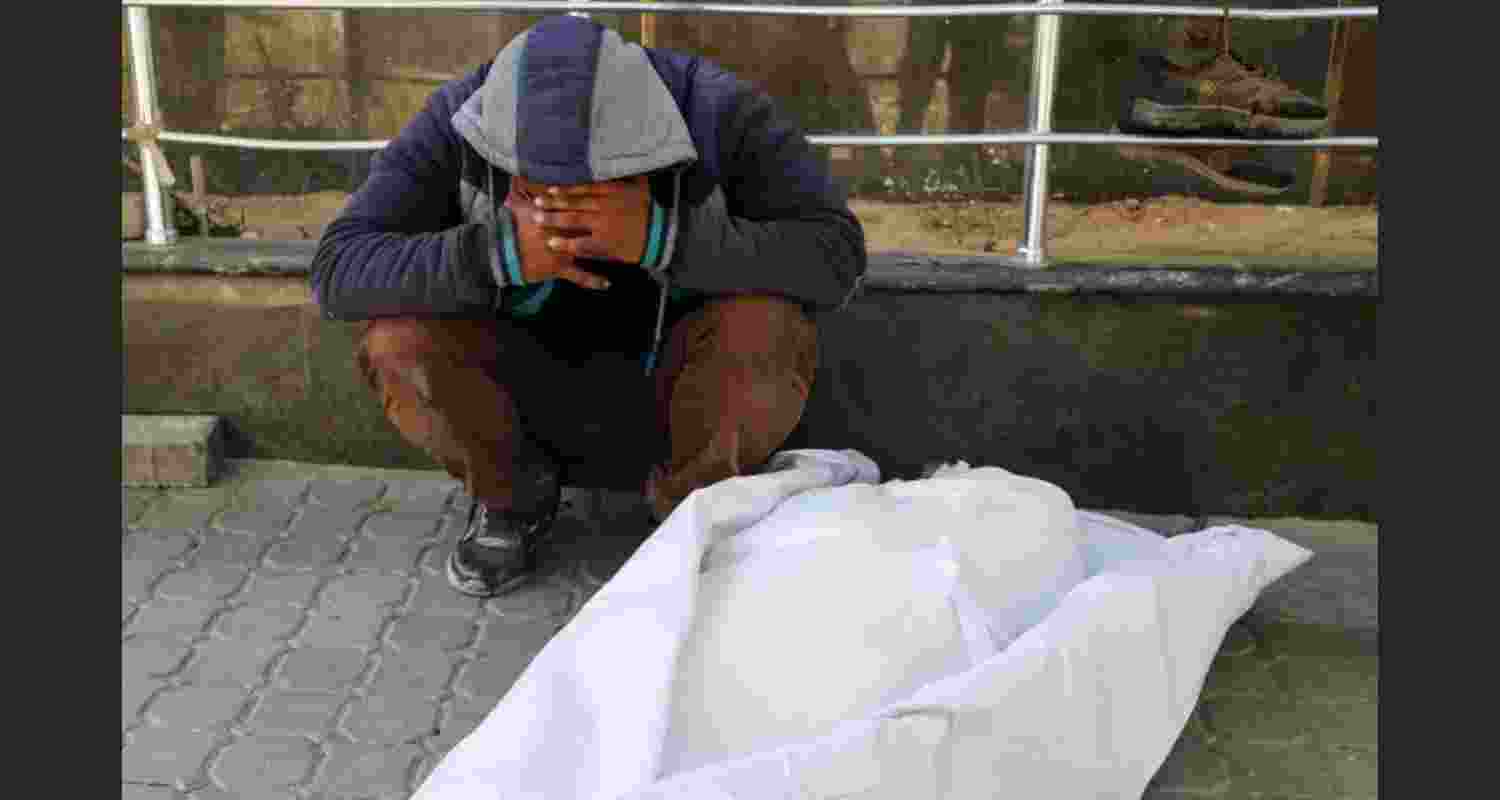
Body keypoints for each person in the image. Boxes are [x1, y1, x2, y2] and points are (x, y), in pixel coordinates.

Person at [311, 15, 867, 598]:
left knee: (766, 327)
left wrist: (662, 238)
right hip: (515, 399)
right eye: (537, 187)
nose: (563, 206)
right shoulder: (460, 118)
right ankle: (512, 499)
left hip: (684, 392)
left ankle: (690, 509)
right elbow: (338, 269)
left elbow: (836, 255)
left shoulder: (716, 110)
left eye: (592, 188)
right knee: (398, 339)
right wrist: (494, 254)